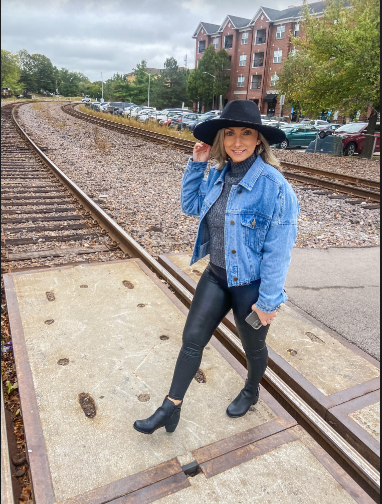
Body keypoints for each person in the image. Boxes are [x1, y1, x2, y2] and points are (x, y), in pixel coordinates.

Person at [133, 100, 299, 435]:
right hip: (216, 275)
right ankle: (171, 407)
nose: (238, 142)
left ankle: (251, 390)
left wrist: (268, 302)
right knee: (192, 340)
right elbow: (191, 205)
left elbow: (279, 251)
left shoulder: (275, 187)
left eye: (246, 134)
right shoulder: (218, 175)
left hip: (250, 286)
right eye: (231, 134)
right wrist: (197, 165)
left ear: (258, 140)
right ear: (222, 139)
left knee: (253, 348)